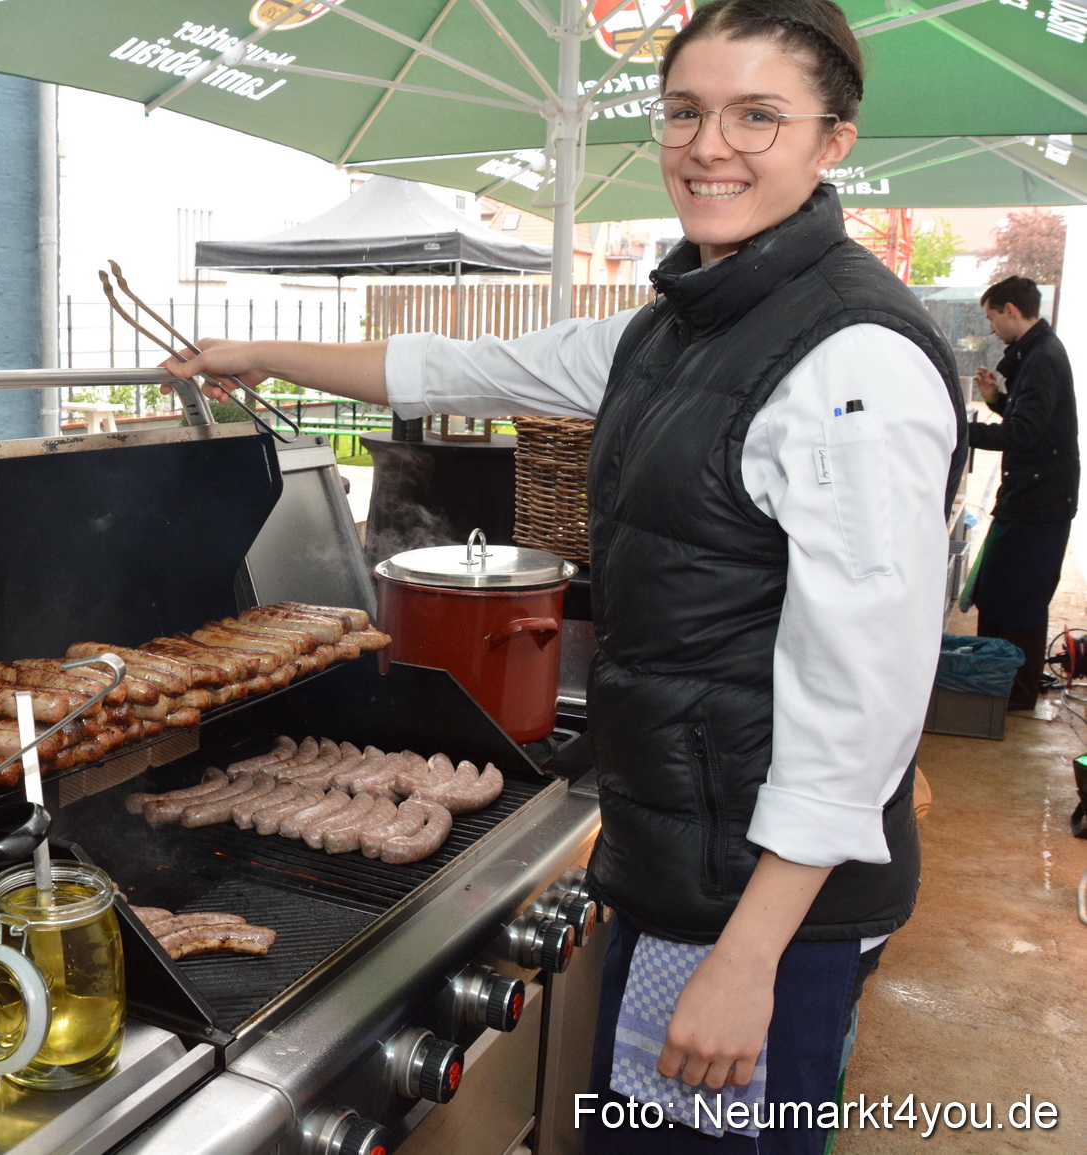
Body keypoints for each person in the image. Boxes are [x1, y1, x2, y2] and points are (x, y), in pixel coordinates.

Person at [163, 2, 965, 1151]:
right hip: (678, 859)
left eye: (757, 117)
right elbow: (467, 360)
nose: (708, 146)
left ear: (831, 140)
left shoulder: (852, 363)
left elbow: (867, 699)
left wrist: (747, 961)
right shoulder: (679, 324)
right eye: (684, 111)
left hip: (758, 907)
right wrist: (259, 351)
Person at [967, 276, 1078, 711]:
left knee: (1020, 598)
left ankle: (1016, 692)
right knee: (996, 592)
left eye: (993, 317)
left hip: (1041, 502)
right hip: (1029, 496)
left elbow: (1026, 433)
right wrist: (995, 400)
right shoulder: (1034, 355)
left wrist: (959, 430)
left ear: (1010, 310)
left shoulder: (1044, 358)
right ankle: (998, 683)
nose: (992, 328)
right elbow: (1030, 419)